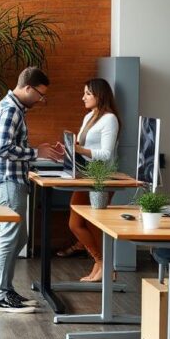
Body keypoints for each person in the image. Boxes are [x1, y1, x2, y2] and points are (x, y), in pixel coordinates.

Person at [0, 66, 63, 314]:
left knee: (20, 237)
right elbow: (1, 149)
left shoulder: (14, 109)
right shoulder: (10, 110)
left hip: (13, 180)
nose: (41, 100)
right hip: (8, 181)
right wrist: (36, 153)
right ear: (28, 88)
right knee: (11, 237)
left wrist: (36, 151)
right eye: (40, 94)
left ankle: (6, 291)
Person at [69, 78, 121, 282]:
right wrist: (69, 146)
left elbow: (106, 154)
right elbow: (82, 145)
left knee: (85, 224)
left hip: (100, 178)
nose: (83, 97)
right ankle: (102, 264)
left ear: (99, 95)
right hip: (87, 176)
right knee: (80, 223)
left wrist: (79, 149)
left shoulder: (110, 119)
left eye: (87, 94)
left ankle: (105, 265)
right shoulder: (89, 116)